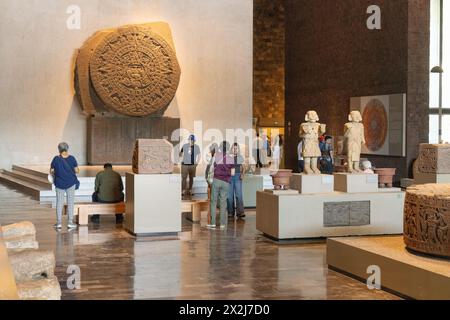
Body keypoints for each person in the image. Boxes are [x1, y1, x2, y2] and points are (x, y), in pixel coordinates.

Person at [50, 142, 80, 230]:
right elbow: (77, 171)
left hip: (59, 183)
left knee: (59, 203)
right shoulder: (72, 158)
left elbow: (52, 171)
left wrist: (58, 172)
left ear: (59, 149)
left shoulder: (56, 159)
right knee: (70, 202)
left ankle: (59, 223)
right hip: (70, 183)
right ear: (67, 148)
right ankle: (70, 222)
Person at [208, 141, 234, 230]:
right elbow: (233, 173)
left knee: (213, 202)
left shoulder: (216, 155)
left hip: (216, 180)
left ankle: (213, 223)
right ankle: (222, 224)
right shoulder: (231, 158)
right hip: (226, 182)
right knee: (223, 202)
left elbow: (211, 167)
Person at [227, 143, 246, 219]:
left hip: (238, 176)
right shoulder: (228, 157)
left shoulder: (240, 157)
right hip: (230, 177)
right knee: (229, 196)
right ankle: (230, 212)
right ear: (231, 149)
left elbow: (244, 167)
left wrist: (242, 174)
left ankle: (240, 212)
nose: (235, 150)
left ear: (238, 149)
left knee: (238, 195)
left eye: (236, 148)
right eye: (234, 148)